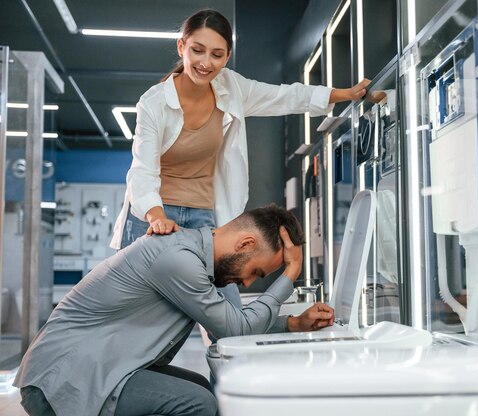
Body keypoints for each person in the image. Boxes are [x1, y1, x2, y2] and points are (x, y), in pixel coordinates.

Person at [15, 205, 335, 416]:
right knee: (198, 403)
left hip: (94, 370)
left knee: (199, 387)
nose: (248, 283)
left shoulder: (190, 258)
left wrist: (293, 324)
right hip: (62, 382)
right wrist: (290, 274)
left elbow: (233, 323)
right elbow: (237, 330)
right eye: (258, 272)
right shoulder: (179, 259)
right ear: (246, 244)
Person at [110, 8, 370, 250]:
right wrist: (157, 217)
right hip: (153, 213)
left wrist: (344, 94)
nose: (205, 63)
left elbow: (283, 96)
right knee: (144, 298)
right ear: (182, 47)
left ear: (228, 56)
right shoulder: (153, 102)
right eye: (197, 50)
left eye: (217, 54)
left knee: (221, 293)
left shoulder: (231, 87)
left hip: (203, 213)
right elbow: (142, 170)